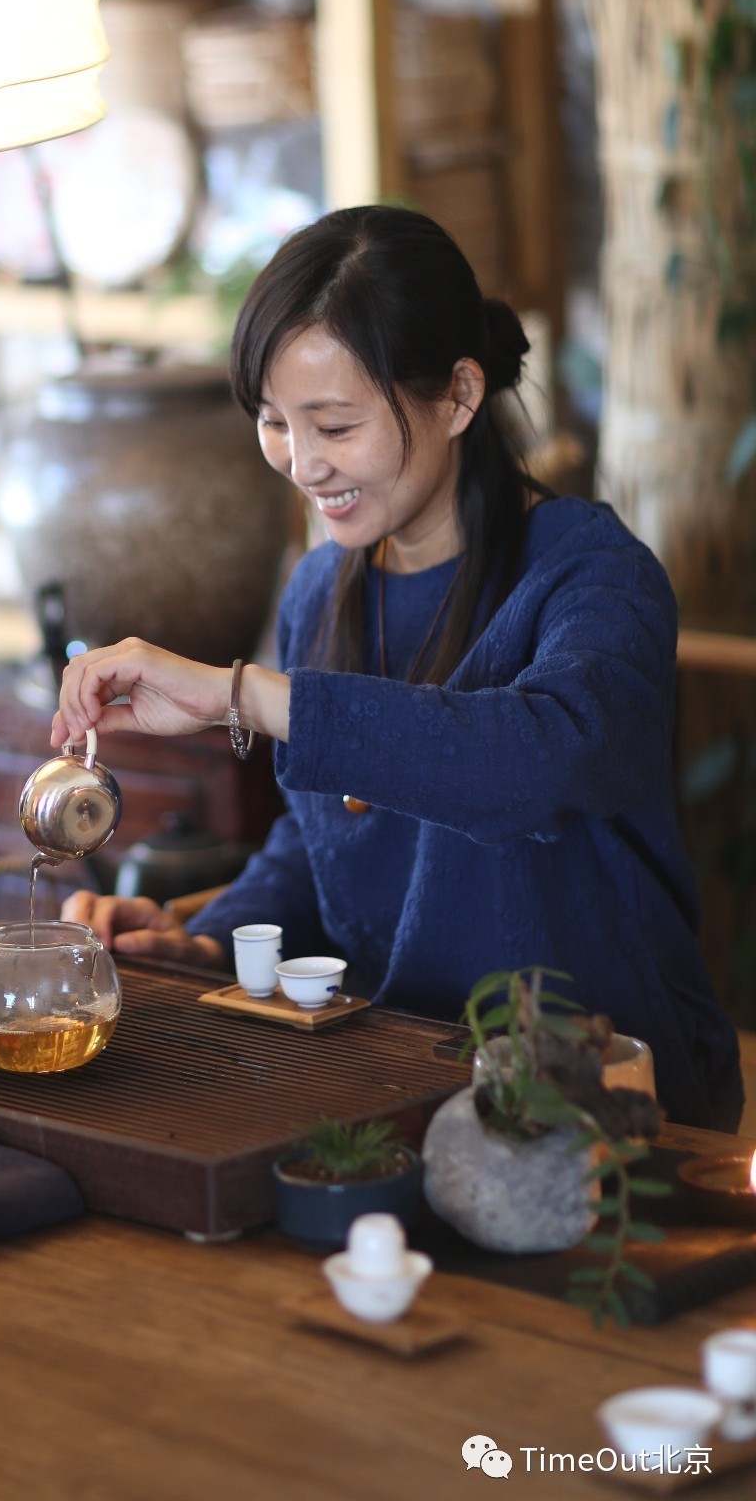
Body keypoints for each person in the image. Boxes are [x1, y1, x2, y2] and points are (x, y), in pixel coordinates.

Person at [57, 206, 744, 1132]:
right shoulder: (320, 592)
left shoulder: (593, 574)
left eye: (335, 426)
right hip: (406, 1086)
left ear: (460, 396)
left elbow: (533, 764)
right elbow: (327, 846)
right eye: (273, 424)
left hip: (608, 1106)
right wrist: (212, 941)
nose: (302, 465)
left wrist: (240, 695)